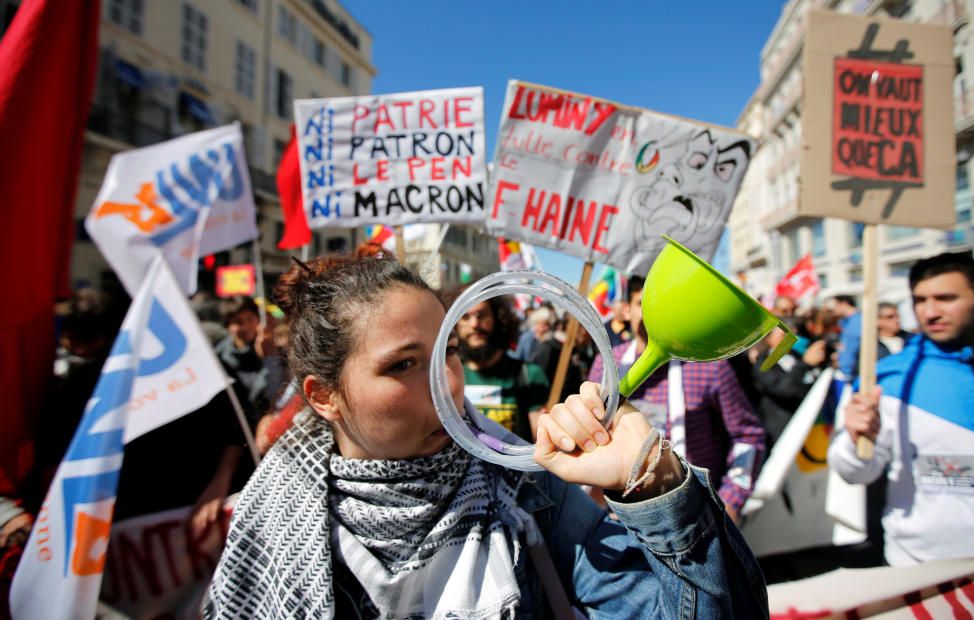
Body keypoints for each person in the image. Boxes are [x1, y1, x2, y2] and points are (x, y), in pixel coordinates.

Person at [205, 246, 768, 618]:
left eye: (447, 351)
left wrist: (657, 488)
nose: (447, 383)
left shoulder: (527, 493)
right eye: (403, 364)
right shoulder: (272, 522)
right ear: (323, 396)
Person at [828, 252, 974, 566]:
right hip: (927, 568)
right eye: (920, 300)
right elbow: (855, 472)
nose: (930, 312)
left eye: (945, 298)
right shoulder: (888, 377)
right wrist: (855, 440)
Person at [588, 277, 766, 522]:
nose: (652, 315)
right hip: (624, 517)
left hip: (696, 517)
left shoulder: (707, 366)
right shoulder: (607, 364)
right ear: (626, 310)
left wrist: (731, 502)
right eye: (643, 304)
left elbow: (748, 437)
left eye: (661, 306)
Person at [450, 292, 550, 441]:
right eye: (465, 317)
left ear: (498, 318)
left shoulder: (530, 375)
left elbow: (540, 442)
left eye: (481, 315)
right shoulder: (447, 377)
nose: (474, 324)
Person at [833, 294, 861, 382]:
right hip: (847, 373)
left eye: (835, 305)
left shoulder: (859, 321)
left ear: (844, 304)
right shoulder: (845, 322)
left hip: (854, 375)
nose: (833, 309)